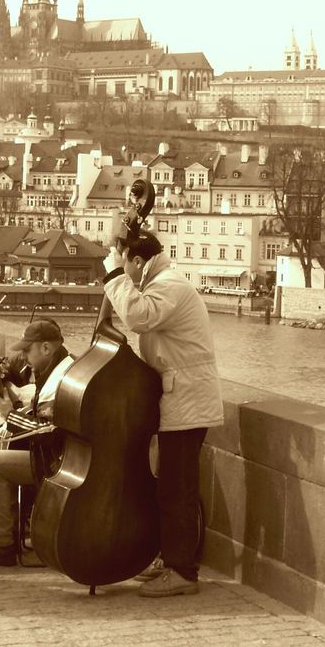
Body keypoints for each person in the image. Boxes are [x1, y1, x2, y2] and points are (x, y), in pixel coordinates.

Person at [101, 229, 223, 597]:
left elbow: (138, 317)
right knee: (171, 484)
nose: (123, 270)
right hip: (179, 399)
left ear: (138, 262)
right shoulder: (161, 282)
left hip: (187, 401)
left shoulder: (169, 285)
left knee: (177, 487)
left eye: (125, 264)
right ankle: (170, 557)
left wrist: (112, 276)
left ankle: (182, 571)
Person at [0, 319, 73, 567]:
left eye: (27, 350)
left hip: (56, 461)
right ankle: (6, 534)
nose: (23, 355)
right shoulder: (53, 368)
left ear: (46, 348)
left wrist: (9, 415)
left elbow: (47, 433)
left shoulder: (62, 381)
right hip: (54, 456)